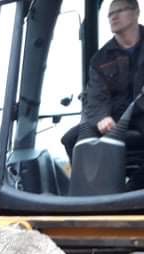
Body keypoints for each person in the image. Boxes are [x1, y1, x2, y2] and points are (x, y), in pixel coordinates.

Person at [62, 0, 144, 188]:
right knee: (71, 139)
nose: (113, 17)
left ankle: (133, 189)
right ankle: (90, 193)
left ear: (136, 12)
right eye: (110, 14)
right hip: (115, 116)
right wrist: (101, 117)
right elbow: (95, 95)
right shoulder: (100, 58)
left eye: (119, 11)